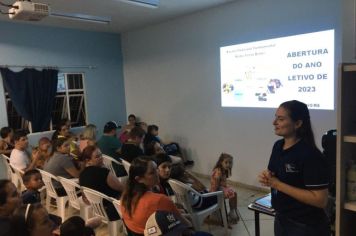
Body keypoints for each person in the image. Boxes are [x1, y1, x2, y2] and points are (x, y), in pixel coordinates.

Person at [258, 100, 330, 236]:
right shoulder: (278, 146)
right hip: (281, 218)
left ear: (298, 124)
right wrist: (268, 176)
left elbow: (320, 200)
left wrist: (278, 184)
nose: (274, 122)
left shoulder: (311, 155)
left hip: (305, 226)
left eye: (280, 119)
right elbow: (275, 174)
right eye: (275, 117)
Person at [120, 157, 191, 235]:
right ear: (139, 179)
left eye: (156, 169)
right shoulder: (159, 200)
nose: (157, 173)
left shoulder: (125, 197)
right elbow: (186, 224)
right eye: (152, 172)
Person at [79, 145, 123, 221]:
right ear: (88, 160)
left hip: (98, 208)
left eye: (101, 155)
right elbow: (122, 188)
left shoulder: (82, 174)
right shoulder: (104, 173)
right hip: (113, 208)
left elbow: (85, 196)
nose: (101, 158)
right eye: (97, 157)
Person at [210, 153, 239, 223]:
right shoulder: (218, 172)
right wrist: (214, 197)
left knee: (234, 193)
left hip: (221, 187)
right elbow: (215, 186)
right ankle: (232, 212)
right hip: (216, 191)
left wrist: (226, 188)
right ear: (221, 162)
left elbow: (223, 182)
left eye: (230, 162)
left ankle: (233, 210)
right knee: (232, 193)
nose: (228, 164)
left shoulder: (224, 170)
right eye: (226, 162)